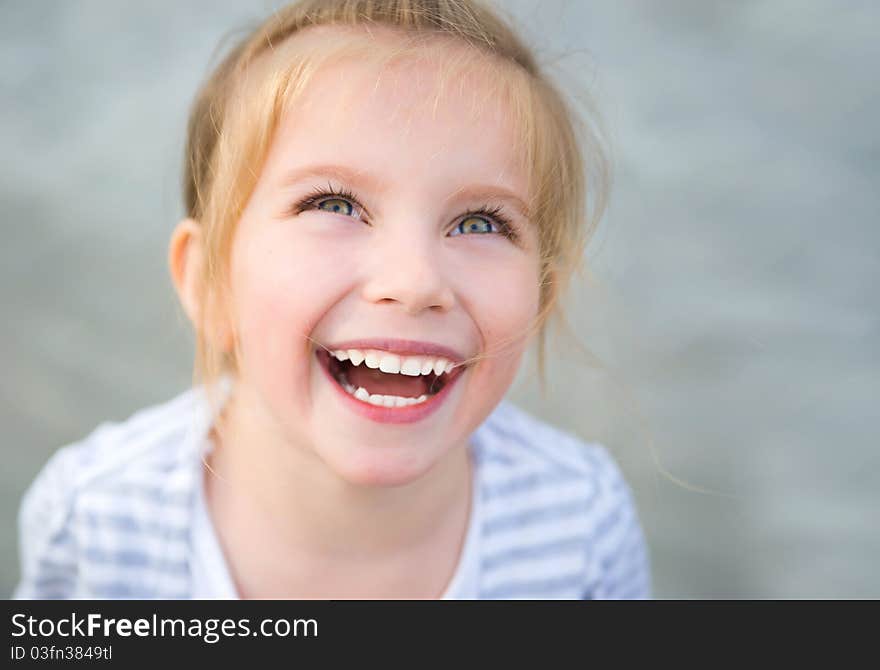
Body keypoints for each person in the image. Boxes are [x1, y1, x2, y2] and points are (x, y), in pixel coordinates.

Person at [14, 0, 651, 599]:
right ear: (209, 282)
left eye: (482, 222)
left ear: (541, 295)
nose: (415, 280)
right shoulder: (97, 523)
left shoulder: (581, 528)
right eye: (333, 204)